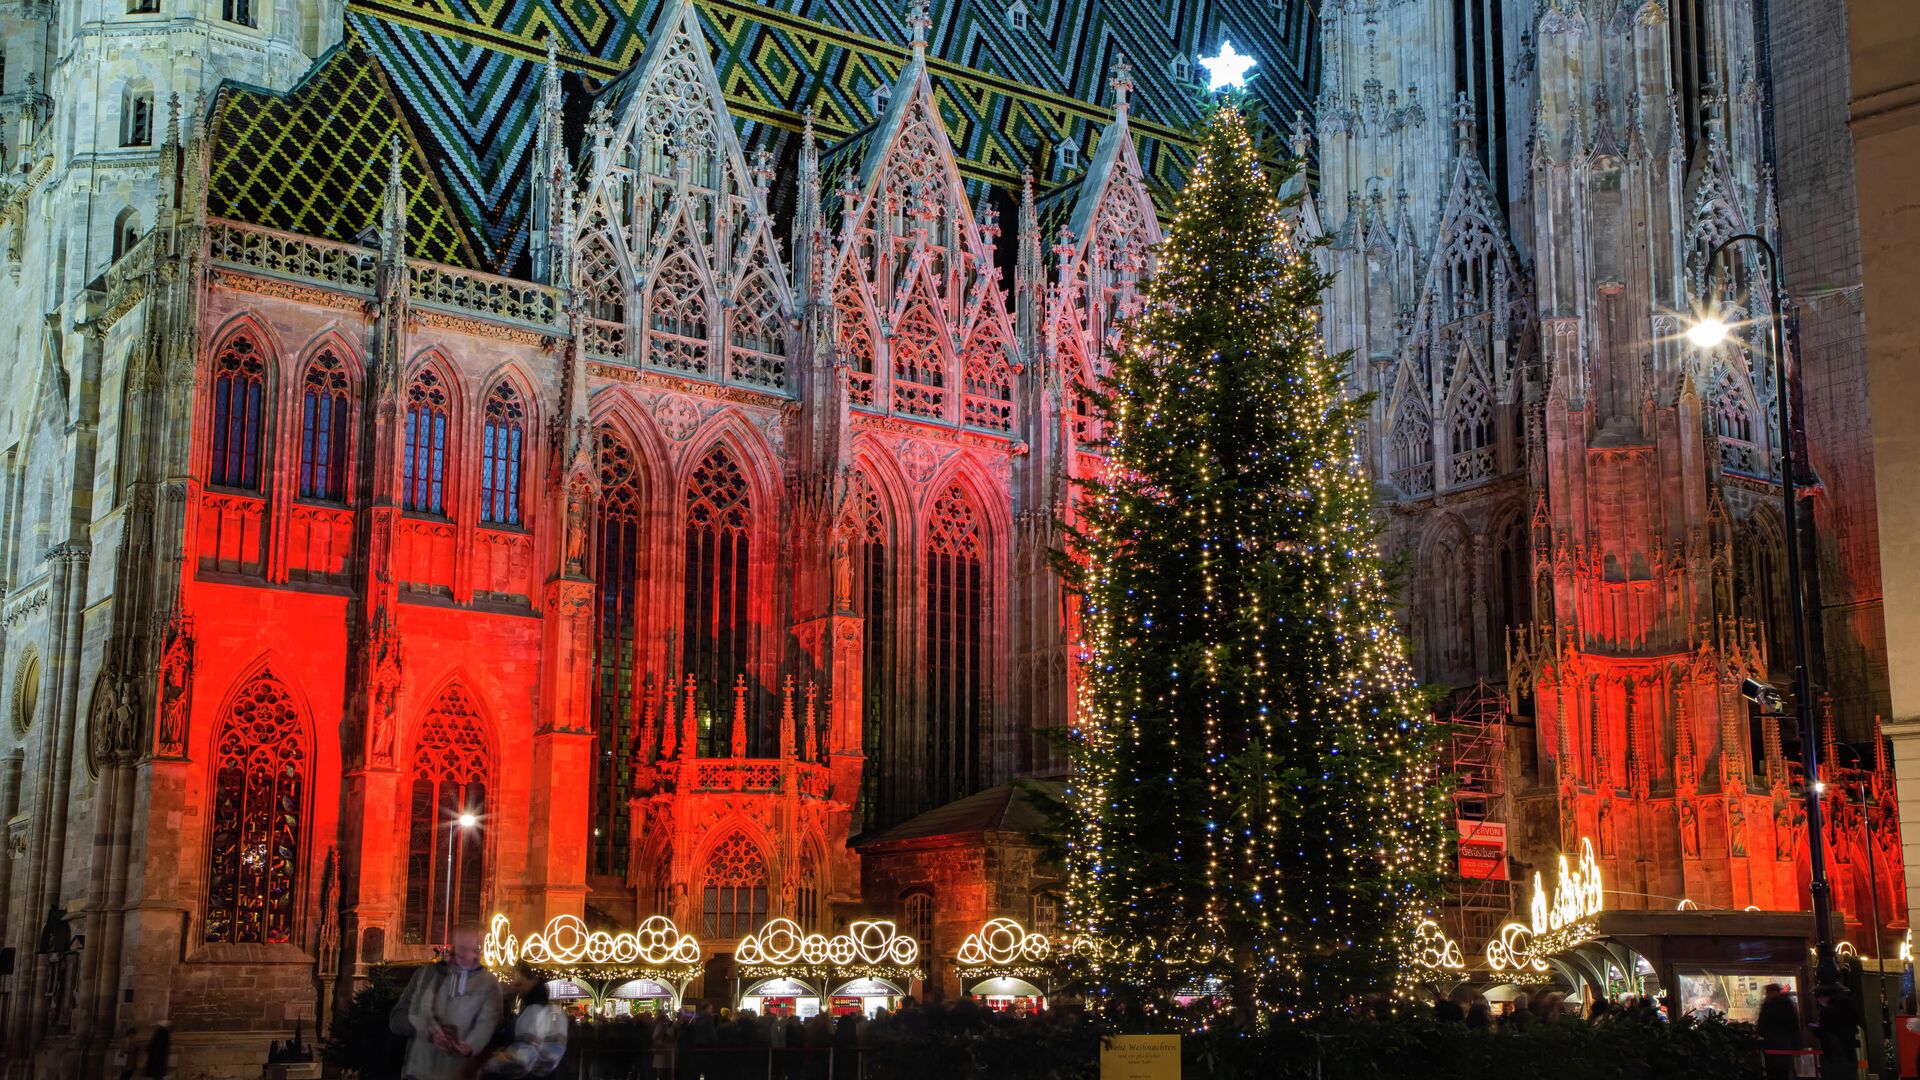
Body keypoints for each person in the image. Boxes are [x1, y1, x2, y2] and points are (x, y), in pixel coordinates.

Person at [390, 924, 503, 1080]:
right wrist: (428, 1031)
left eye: (475, 949)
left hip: (457, 1073)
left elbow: (488, 1023)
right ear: (452, 947)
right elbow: (397, 1020)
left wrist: (469, 1046)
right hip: (418, 1071)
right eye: (462, 948)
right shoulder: (427, 975)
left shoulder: (489, 984)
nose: (468, 955)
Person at [483, 962, 568, 1078]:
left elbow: (523, 1058)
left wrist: (494, 1062)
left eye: (517, 982)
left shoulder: (535, 1011)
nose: (512, 985)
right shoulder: (551, 1011)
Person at [1812, 985, 1860, 1080]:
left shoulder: (1828, 1010)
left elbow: (1825, 1030)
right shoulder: (1847, 1003)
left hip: (1835, 1055)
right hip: (1848, 1053)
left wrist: (1816, 1029)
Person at [1756, 984, 1803, 1080]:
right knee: (1787, 1071)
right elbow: (1794, 1026)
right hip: (1786, 1045)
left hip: (1772, 1047)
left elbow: (1761, 1028)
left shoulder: (1767, 1006)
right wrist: (1797, 1044)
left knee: (1774, 1073)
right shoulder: (1787, 1004)